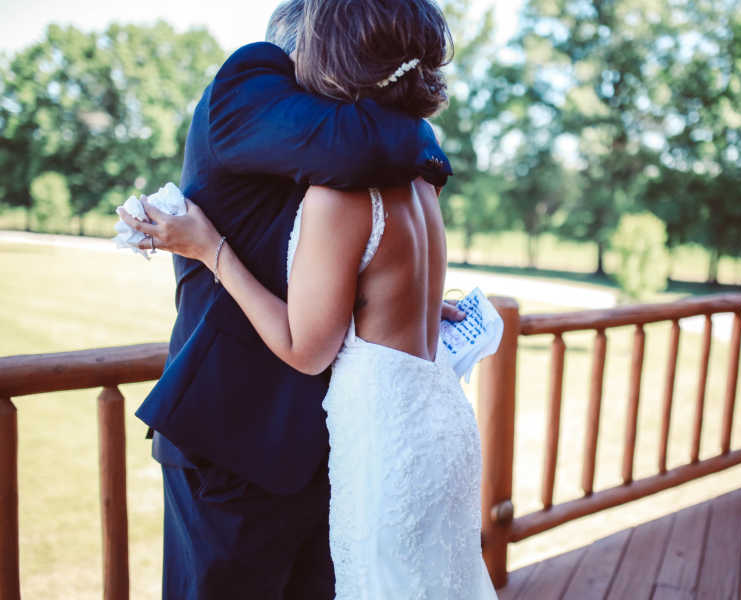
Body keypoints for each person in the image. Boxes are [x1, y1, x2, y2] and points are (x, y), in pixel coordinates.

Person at [121, 0, 498, 597]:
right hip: (236, 434)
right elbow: (373, 148)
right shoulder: (249, 83)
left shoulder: (363, 168)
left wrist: (396, 305)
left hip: (335, 439)